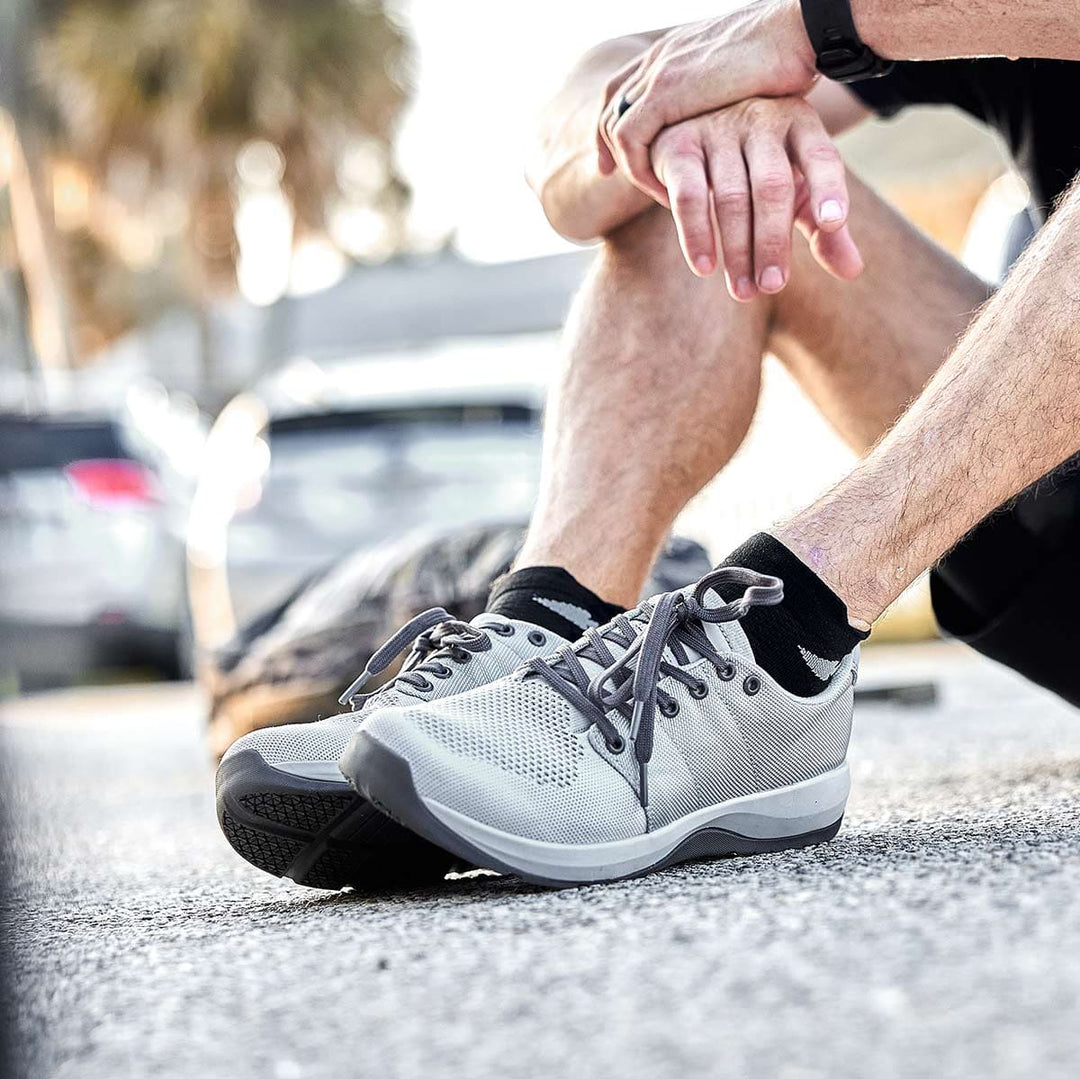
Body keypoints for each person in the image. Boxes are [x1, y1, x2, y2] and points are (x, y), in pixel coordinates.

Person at [222, 0, 1080, 888]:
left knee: (732, 132)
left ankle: (786, 639)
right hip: (1047, 527)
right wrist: (660, 120)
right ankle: (544, 625)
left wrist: (809, 26)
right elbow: (567, 142)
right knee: (723, 172)